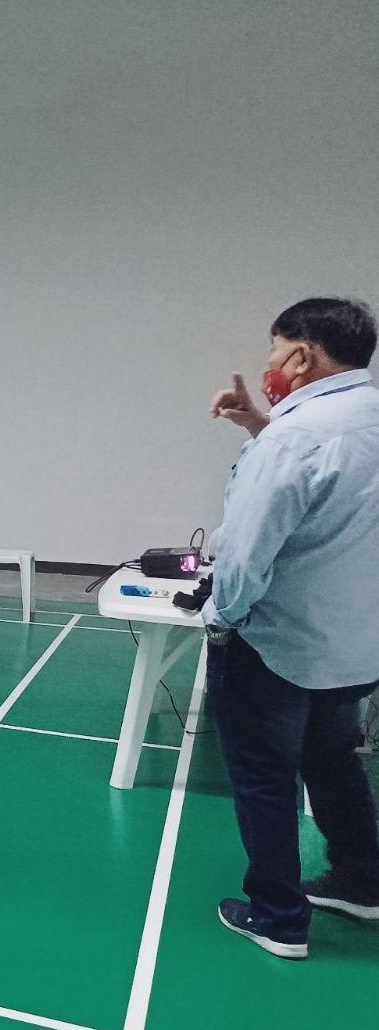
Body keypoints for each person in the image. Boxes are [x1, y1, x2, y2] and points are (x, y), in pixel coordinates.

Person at [203, 296, 379, 959]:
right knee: (333, 760)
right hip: (355, 645)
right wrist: (257, 421)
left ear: (302, 356)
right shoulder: (360, 419)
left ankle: (277, 916)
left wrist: (222, 620)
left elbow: (245, 554)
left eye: (275, 351)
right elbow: (330, 488)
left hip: (279, 645)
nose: (270, 363)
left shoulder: (292, 439)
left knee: (263, 775)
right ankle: (364, 880)